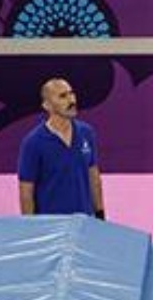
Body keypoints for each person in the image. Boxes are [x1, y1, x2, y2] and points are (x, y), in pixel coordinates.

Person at [18, 78, 106, 218]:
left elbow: (93, 176)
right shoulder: (33, 143)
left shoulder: (86, 133)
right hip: (50, 227)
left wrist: (100, 214)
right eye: (62, 96)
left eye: (71, 93)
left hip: (85, 222)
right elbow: (26, 191)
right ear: (47, 105)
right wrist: (31, 227)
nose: (71, 100)